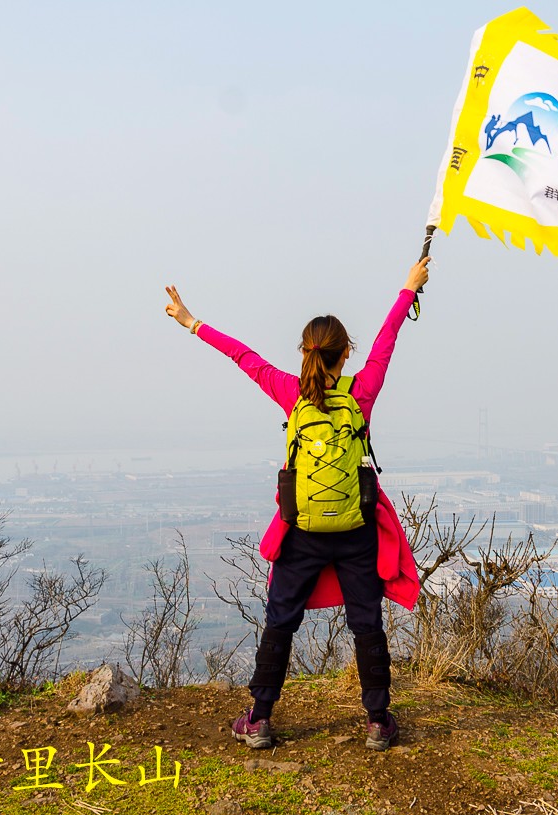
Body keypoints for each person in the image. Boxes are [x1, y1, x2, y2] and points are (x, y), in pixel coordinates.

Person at [162, 257, 429, 751]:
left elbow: (242, 357)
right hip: (355, 531)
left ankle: (259, 718)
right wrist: (408, 290)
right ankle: (377, 722)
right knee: (366, 623)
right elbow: (388, 342)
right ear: (345, 353)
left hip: (303, 531)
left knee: (280, 620)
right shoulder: (361, 392)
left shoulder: (291, 393)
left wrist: (191, 321)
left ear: (305, 352)